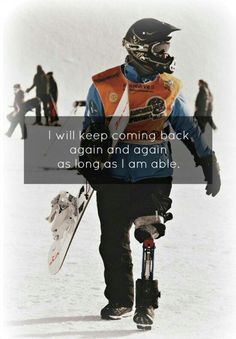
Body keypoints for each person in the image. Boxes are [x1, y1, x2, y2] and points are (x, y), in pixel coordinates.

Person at [79, 18, 221, 328]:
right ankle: (119, 300)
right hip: (113, 177)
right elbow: (89, 129)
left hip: (152, 175)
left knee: (148, 230)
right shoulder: (104, 86)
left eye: (168, 48)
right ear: (141, 50)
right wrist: (91, 158)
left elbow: (188, 128)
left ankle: (146, 303)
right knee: (112, 242)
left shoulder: (169, 86)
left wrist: (208, 161)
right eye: (161, 48)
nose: (167, 54)